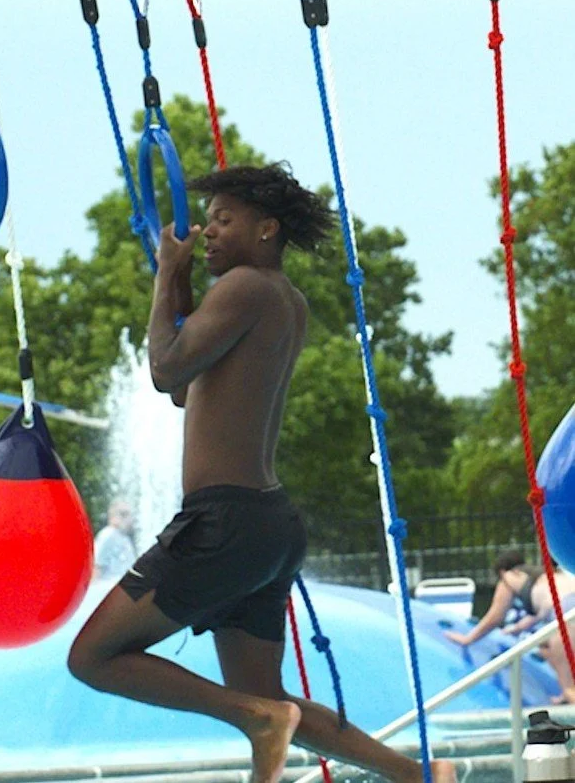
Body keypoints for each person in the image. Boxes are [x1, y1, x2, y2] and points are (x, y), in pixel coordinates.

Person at [68, 163, 456, 783]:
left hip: (224, 521)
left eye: (224, 219)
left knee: (93, 656)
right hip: (264, 525)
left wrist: (167, 273)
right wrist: (182, 283)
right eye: (208, 220)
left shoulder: (245, 286)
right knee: (267, 693)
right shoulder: (283, 299)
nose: (208, 231)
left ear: (267, 228)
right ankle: (419, 776)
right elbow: (188, 387)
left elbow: (165, 372)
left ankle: (257, 721)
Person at [446, 549, 575, 703]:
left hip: (565, 618)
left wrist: (468, 639)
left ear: (501, 571)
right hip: (567, 610)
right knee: (545, 645)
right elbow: (546, 609)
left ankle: (567, 689)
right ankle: (564, 689)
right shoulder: (543, 574)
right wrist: (518, 628)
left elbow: (495, 617)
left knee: (570, 689)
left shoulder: (508, 578)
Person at [93, 500, 136, 581]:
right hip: (108, 585)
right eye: (124, 514)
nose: (130, 519)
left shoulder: (125, 537)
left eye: (130, 514)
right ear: (113, 516)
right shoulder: (108, 535)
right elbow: (96, 566)